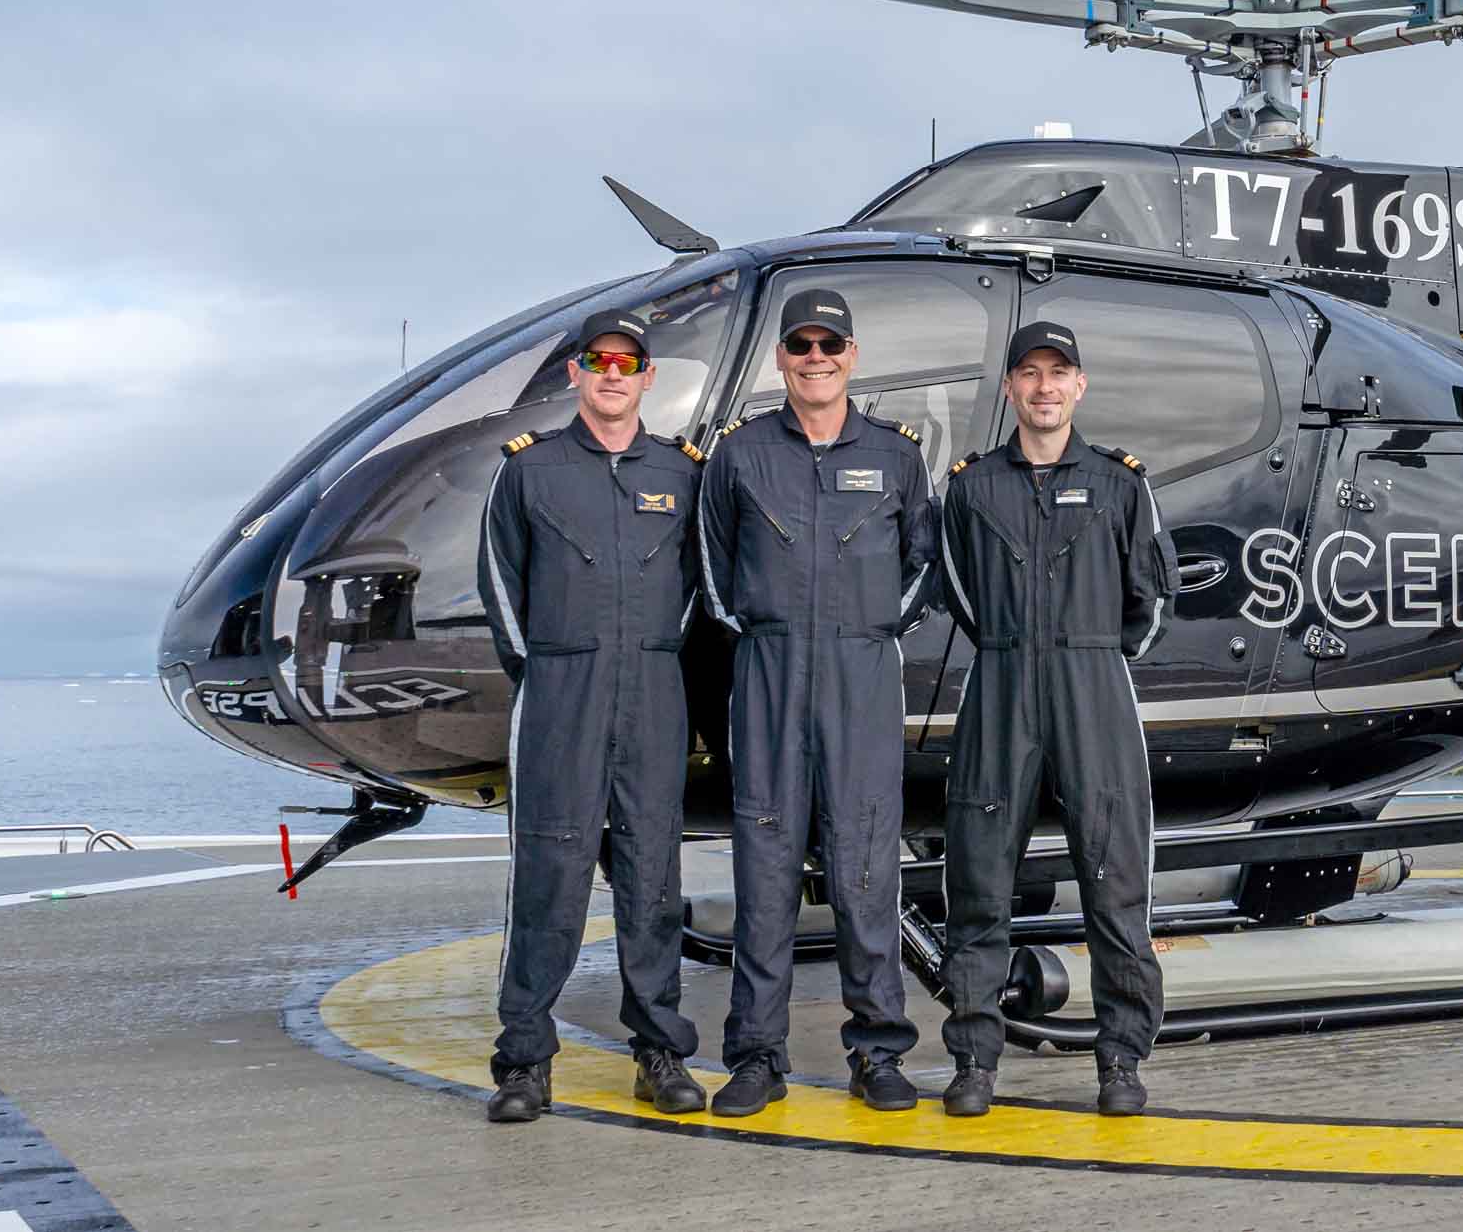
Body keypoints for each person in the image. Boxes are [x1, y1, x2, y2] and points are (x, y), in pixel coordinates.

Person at [696, 287, 933, 1116]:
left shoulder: (898, 457)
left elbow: (921, 566)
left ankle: (878, 1050)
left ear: (852, 355)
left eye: (829, 343)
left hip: (861, 676)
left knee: (867, 868)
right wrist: (767, 634)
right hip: (766, 674)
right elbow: (713, 573)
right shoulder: (739, 455)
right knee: (763, 872)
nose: (816, 357)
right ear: (781, 359)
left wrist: (868, 631)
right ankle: (757, 1056)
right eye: (800, 344)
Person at [933, 321, 1178, 1118]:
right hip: (1000, 683)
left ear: (1080, 385)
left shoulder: (1118, 483)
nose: (1043, 387)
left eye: (1058, 372)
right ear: (1008, 387)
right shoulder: (971, 488)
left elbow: (1151, 595)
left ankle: (1120, 1061)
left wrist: (1095, 656)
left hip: (1092, 684)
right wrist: (1013, 649)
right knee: (978, 882)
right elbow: (962, 596)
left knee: (1114, 882)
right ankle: (974, 1060)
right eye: (1028, 373)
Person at [476, 309, 709, 1124]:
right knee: (551, 876)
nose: (613, 373)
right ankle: (524, 1061)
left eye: (628, 362)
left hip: (652, 690)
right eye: (598, 360)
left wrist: (650, 660)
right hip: (561, 691)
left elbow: (694, 592)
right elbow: (501, 586)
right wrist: (545, 671)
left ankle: (659, 1049)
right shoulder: (530, 472)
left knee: (652, 876)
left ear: (648, 378)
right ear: (576, 373)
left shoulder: (683, 474)